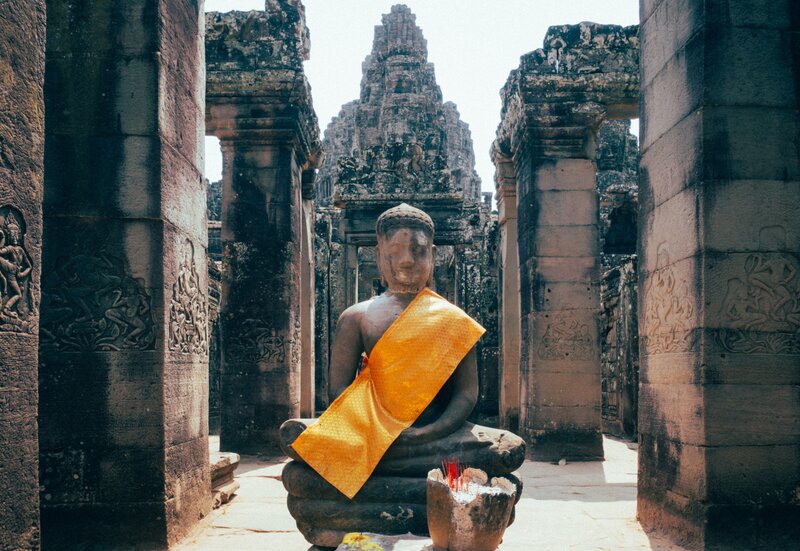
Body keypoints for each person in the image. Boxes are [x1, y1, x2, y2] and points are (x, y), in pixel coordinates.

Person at [287, 203, 523, 500]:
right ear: (378, 255)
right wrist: (376, 430)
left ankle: (383, 492)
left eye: (419, 251)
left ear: (433, 256)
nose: (407, 261)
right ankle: (443, 495)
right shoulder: (356, 317)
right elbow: (339, 389)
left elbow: (466, 394)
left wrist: (426, 433)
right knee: (295, 448)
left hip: (438, 437)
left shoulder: (454, 320)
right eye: (395, 251)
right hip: (371, 433)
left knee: (507, 449)